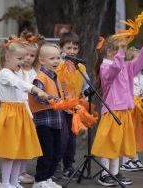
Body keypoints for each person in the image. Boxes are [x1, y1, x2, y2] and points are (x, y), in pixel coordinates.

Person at [0, 37, 47, 188]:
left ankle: (14, 181)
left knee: (20, 151)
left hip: (21, 114)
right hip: (10, 114)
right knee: (10, 152)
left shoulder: (17, 72)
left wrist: (30, 115)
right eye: (19, 58)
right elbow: (18, 84)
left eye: (24, 58)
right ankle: (5, 183)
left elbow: (22, 97)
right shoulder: (5, 73)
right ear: (7, 57)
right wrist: (35, 89)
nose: (23, 61)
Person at [91, 36, 143, 186]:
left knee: (117, 143)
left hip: (124, 111)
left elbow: (139, 63)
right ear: (110, 51)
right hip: (112, 111)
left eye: (124, 48)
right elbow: (115, 69)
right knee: (109, 143)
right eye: (122, 48)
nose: (124, 51)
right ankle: (104, 173)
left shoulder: (125, 66)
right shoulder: (106, 67)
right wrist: (120, 53)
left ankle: (115, 172)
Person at [28, 42, 65, 188]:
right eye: (52, 58)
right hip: (44, 122)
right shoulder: (40, 77)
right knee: (46, 152)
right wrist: (56, 101)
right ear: (42, 60)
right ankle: (40, 180)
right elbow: (38, 96)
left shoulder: (56, 77)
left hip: (56, 120)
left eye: (58, 58)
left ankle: (48, 178)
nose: (56, 61)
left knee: (56, 152)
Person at [55, 32, 89, 179]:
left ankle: (69, 166)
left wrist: (83, 96)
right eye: (68, 48)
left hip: (73, 109)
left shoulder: (80, 67)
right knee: (60, 138)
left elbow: (86, 85)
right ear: (61, 48)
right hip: (59, 108)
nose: (72, 51)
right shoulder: (57, 65)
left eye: (75, 48)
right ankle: (56, 166)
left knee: (71, 139)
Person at [120, 47, 143, 171]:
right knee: (128, 133)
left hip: (139, 110)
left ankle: (135, 158)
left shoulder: (142, 78)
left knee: (136, 134)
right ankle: (125, 161)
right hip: (130, 108)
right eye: (137, 60)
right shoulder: (127, 76)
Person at [16, 30, 40, 184]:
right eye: (25, 55)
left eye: (32, 56)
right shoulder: (15, 72)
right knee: (18, 142)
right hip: (18, 110)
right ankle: (17, 172)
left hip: (30, 112)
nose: (28, 59)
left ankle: (22, 171)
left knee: (26, 143)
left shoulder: (34, 72)